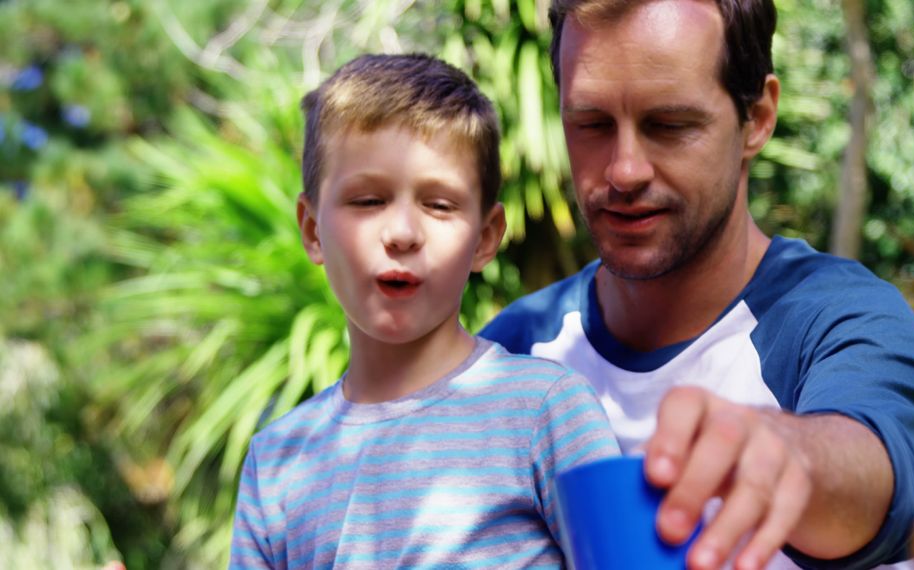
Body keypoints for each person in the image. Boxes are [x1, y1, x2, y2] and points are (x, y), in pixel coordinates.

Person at [479, 0, 914, 569]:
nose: (625, 170)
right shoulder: (512, 352)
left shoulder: (838, 319)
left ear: (757, 118)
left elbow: (876, 473)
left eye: (670, 125)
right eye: (592, 124)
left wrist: (788, 453)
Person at [228, 53, 620, 569]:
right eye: (368, 201)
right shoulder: (276, 461)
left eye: (439, 205)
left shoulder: (546, 410)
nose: (403, 234)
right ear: (312, 229)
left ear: (485, 237)